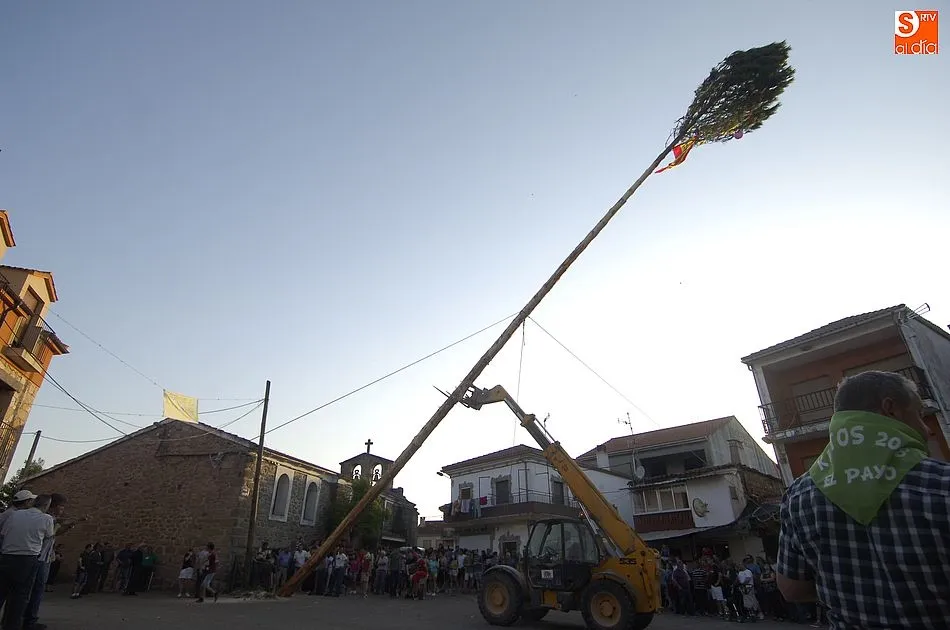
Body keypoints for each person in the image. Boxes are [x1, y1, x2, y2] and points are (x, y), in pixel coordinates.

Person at [778, 370, 950, 628]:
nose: (927, 430)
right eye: (920, 415)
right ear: (890, 409)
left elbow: (792, 589)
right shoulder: (941, 485)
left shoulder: (798, 497)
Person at [0, 490, 54, 629]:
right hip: (27, 559)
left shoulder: (14, 515)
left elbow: (4, 533)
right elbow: (49, 535)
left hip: (6, 556)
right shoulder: (47, 518)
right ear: (47, 505)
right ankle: (10, 626)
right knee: (20, 597)